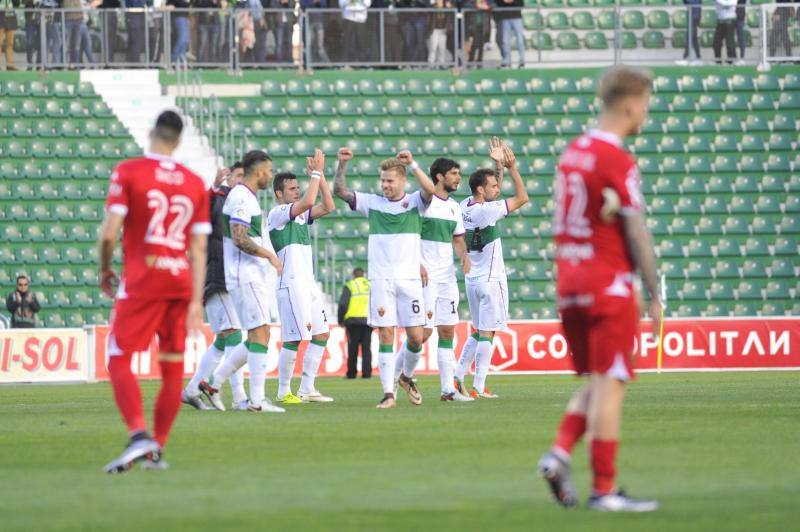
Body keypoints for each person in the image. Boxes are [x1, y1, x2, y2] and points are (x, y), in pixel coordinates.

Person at [536, 65, 661, 512]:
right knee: (612, 384)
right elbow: (637, 231)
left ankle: (558, 453)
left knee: (598, 380)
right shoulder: (617, 159)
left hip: (569, 280)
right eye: (646, 103)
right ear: (631, 104)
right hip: (608, 281)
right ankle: (604, 490)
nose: (645, 112)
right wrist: (654, 291)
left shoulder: (574, 153)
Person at [98, 110, 211, 473]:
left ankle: (137, 435)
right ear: (178, 141)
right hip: (180, 283)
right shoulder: (195, 182)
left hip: (144, 278)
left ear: (152, 133)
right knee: (173, 368)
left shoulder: (129, 171)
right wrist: (195, 301)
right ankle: (156, 449)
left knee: (118, 357)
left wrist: (104, 268)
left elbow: (108, 233)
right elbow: (198, 249)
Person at [334, 148, 436, 409]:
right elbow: (341, 192)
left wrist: (413, 163)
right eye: (383, 180)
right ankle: (388, 393)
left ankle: (406, 377)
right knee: (386, 335)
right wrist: (342, 165)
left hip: (409, 280)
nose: (385, 185)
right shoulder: (372, 203)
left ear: (402, 181)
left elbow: (431, 190)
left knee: (416, 337)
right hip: (381, 281)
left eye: (390, 181)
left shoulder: (414, 202)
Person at [198, 150, 286, 414]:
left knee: (260, 333)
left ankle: (215, 383)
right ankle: (256, 400)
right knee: (260, 333)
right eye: (269, 171)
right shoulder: (240, 198)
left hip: (248, 275)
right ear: (259, 171)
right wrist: (268, 254)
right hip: (244, 275)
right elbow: (239, 237)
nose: (270, 176)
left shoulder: (246, 197)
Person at [454, 138, 528, 400]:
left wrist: (498, 166)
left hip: (472, 279)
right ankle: (478, 385)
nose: (498, 188)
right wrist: (512, 167)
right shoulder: (487, 212)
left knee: (477, 329)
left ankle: (457, 375)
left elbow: (494, 194)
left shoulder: (463, 207)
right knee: (488, 332)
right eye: (494, 185)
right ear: (481, 190)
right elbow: (522, 198)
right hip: (491, 278)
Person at [269, 149, 336, 404]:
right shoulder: (277, 215)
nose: (297, 191)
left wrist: (321, 177)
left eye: (299, 187)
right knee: (294, 338)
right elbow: (308, 202)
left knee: (321, 334)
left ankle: (307, 388)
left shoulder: (299, 217)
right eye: (292, 188)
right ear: (279, 194)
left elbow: (328, 206)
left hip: (307, 284)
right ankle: (283, 391)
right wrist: (316, 173)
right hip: (291, 284)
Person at [182, 162, 250, 412]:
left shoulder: (242, 205)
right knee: (234, 334)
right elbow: (202, 210)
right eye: (238, 176)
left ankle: (190, 391)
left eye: (245, 176)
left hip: (232, 277)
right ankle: (239, 397)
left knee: (224, 338)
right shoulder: (219, 199)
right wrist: (212, 187)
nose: (242, 180)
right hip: (217, 276)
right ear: (228, 178)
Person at [416, 156, 472, 402]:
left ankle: (448, 389)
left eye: (458, 173)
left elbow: (458, 239)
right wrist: (415, 263)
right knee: (423, 334)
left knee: (447, 331)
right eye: (454, 173)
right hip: (425, 276)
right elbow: (408, 235)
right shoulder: (422, 204)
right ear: (439, 176)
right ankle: (399, 376)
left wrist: (464, 256)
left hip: (447, 277)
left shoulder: (454, 207)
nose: (458, 177)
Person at [338, 268, 372, 379]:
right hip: (368, 321)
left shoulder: (350, 285)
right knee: (367, 348)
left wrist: (340, 319)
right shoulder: (370, 285)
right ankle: (367, 373)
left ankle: (351, 373)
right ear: (363, 274)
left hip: (353, 321)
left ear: (353, 275)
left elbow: (343, 304)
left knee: (353, 348)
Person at [498, 0, 524, 68]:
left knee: (520, 40)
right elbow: (498, 4)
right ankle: (507, 60)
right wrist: (504, 1)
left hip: (517, 17)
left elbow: (521, 4)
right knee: (505, 41)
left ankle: (522, 60)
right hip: (505, 18)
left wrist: (512, 1)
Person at [676, 0, 701, 65]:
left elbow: (691, 2)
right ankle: (698, 58)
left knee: (689, 37)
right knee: (694, 38)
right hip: (692, 16)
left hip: (694, 16)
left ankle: (685, 58)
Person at [712, 0, 737, 65]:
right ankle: (718, 60)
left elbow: (728, 4)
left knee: (729, 42)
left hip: (730, 21)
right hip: (720, 21)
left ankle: (730, 61)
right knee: (716, 43)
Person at [427, 0, 449, 67]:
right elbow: (428, 12)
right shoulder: (433, 7)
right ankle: (431, 64)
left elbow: (451, 15)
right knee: (433, 47)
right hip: (434, 30)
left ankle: (441, 64)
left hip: (443, 30)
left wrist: (449, 7)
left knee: (442, 48)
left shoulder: (446, 7)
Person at [23, 0, 41, 69]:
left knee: (40, 42)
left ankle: (39, 64)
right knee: (29, 42)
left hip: (41, 18)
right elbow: (23, 2)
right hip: (30, 19)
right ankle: (30, 63)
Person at [0, 0, 18, 71]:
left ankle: (10, 65)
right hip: (0, 18)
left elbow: (17, 4)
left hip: (10, 18)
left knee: (10, 43)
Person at [735, 0, 746, 65]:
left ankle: (742, 58)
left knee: (740, 37)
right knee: (729, 38)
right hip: (730, 15)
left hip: (739, 16)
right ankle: (732, 58)